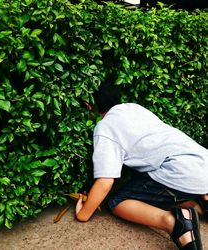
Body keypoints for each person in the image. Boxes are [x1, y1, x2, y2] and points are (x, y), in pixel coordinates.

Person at [75, 83, 208, 250]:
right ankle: (199, 204)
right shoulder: (134, 108)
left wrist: (83, 214)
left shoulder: (105, 127)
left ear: (89, 106)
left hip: (182, 173)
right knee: (144, 177)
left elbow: (105, 182)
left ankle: (175, 223)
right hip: (202, 161)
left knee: (117, 201)